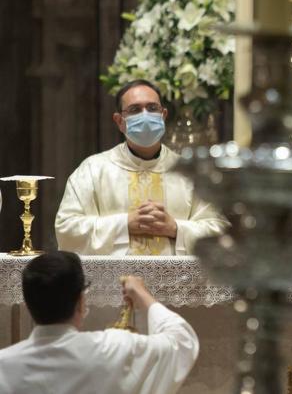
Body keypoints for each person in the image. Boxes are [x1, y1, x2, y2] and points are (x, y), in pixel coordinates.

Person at [55, 79, 229, 255]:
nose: (145, 115)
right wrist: (124, 225)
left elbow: (221, 230)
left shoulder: (190, 173)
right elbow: (66, 230)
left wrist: (175, 228)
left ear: (163, 115)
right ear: (119, 121)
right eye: (135, 110)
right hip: (113, 281)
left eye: (152, 108)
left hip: (176, 282)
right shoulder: (93, 170)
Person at [0, 251, 199, 394]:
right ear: (81, 302)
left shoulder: (4, 365)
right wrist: (141, 293)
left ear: (28, 304)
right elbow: (181, 342)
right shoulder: (114, 347)